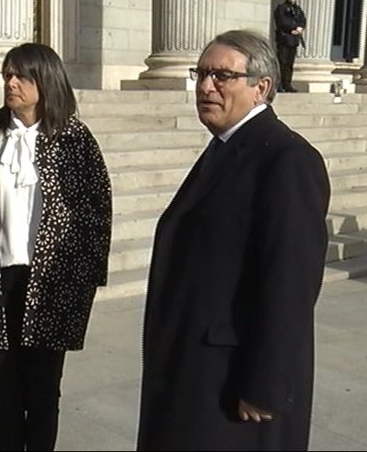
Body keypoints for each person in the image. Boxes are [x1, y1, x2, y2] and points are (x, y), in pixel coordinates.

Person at [137, 29, 330, 450]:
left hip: (230, 381)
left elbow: (291, 283)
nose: (206, 86)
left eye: (222, 76)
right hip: (196, 366)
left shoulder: (286, 159)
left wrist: (266, 383)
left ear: (261, 87)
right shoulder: (226, 147)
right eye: (201, 74)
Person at [0, 43, 112, 451]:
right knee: (4, 390)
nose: (11, 83)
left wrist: (87, 278)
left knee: (42, 391)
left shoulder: (75, 141)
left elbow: (97, 212)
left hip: (54, 282)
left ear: (46, 80)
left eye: (21, 75)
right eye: (7, 75)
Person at [273, 0, 307, 93]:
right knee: (281, 62)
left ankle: (287, 84)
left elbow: (302, 21)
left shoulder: (298, 10)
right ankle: (279, 84)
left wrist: (300, 28)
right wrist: (293, 27)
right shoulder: (281, 8)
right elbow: (281, 21)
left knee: (289, 64)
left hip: (293, 40)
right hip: (284, 39)